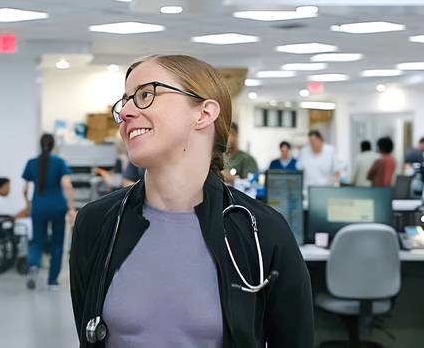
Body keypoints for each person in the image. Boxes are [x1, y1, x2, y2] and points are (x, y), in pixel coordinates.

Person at [70, 55, 313, 347]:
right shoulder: (97, 223)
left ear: (204, 113)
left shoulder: (262, 231)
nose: (127, 113)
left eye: (146, 95)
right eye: (125, 101)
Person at [22, 134, 75, 290]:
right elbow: (67, 185)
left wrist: (28, 204)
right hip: (58, 207)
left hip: (38, 207)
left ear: (40, 144)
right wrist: (71, 207)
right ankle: (52, 282)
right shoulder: (59, 162)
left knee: (37, 240)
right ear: (53, 146)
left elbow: (24, 189)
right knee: (57, 243)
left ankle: (33, 266)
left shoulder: (31, 163)